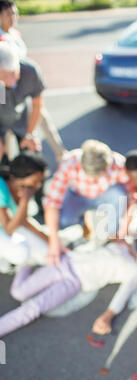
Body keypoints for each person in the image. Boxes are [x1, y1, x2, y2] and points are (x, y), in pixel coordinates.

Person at [0, 240, 137, 338]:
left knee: (33, 309)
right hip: (65, 262)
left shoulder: (136, 271)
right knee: (18, 292)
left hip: (74, 281)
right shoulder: (124, 243)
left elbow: (122, 295)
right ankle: (26, 263)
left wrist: (107, 316)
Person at [43, 139, 137, 266]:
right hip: (78, 197)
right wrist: (53, 241)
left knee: (119, 195)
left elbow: (132, 198)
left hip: (104, 197)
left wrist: (124, 229)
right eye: (89, 176)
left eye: (98, 177)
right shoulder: (69, 162)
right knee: (63, 220)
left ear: (107, 166)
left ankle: (113, 234)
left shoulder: (119, 165)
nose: (93, 181)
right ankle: (82, 225)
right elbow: (52, 203)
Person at [0, 0, 66, 162]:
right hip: (5, 88)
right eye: (8, 14)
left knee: (37, 115)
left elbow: (37, 103)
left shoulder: (15, 35)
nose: (12, 17)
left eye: (14, 13)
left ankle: (59, 153)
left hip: (20, 85)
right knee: (7, 116)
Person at [0, 151, 48, 268]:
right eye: (35, 181)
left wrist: (49, 240)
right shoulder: (2, 188)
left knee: (46, 252)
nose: (38, 186)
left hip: (9, 225)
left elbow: (23, 221)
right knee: (21, 253)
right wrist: (25, 200)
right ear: (19, 178)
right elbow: (8, 229)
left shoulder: (20, 188)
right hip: (6, 228)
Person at [0, 42, 44, 160]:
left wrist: (30, 133)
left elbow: (37, 105)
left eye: (13, 74)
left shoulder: (31, 71)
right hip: (1, 121)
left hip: (22, 119)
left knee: (33, 155)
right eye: (4, 77)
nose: (11, 81)